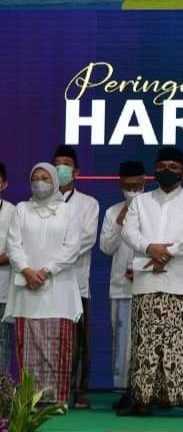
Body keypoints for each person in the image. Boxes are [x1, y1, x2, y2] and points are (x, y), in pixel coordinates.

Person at [120, 147, 183, 417]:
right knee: (145, 344)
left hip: (182, 283)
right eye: (162, 165)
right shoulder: (140, 202)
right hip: (148, 281)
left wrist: (168, 252)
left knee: (182, 344)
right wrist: (150, 248)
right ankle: (143, 400)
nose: (168, 170)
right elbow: (128, 231)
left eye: (174, 165)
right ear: (154, 170)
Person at [3, 163, 82, 404]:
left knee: (56, 347)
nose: (40, 182)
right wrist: (27, 271)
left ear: (55, 181)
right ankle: (30, 400)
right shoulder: (22, 210)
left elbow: (72, 247)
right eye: (35, 178)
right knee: (28, 349)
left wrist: (46, 272)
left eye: (45, 178)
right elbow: (13, 245)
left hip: (58, 290)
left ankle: (56, 401)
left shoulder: (68, 211)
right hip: (26, 289)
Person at [52, 144, 99, 409]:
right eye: (56, 163)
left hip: (76, 282)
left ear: (76, 171)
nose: (61, 168)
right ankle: (51, 389)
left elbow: (86, 240)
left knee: (80, 341)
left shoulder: (88, 204)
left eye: (66, 163)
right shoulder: (39, 202)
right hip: (45, 283)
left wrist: (53, 258)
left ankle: (80, 390)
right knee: (51, 339)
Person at [99, 160, 146, 410]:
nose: (132, 190)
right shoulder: (112, 212)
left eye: (137, 185)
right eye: (128, 186)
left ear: (145, 182)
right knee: (122, 345)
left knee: (146, 342)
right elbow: (106, 248)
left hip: (149, 286)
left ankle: (148, 392)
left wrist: (140, 269)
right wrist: (121, 219)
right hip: (120, 287)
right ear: (120, 185)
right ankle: (126, 391)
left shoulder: (154, 209)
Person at [0, 163, 15, 375]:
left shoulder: (14, 212)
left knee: (3, 341)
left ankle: (1, 393)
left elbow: (17, 248)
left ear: (4, 184)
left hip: (3, 289)